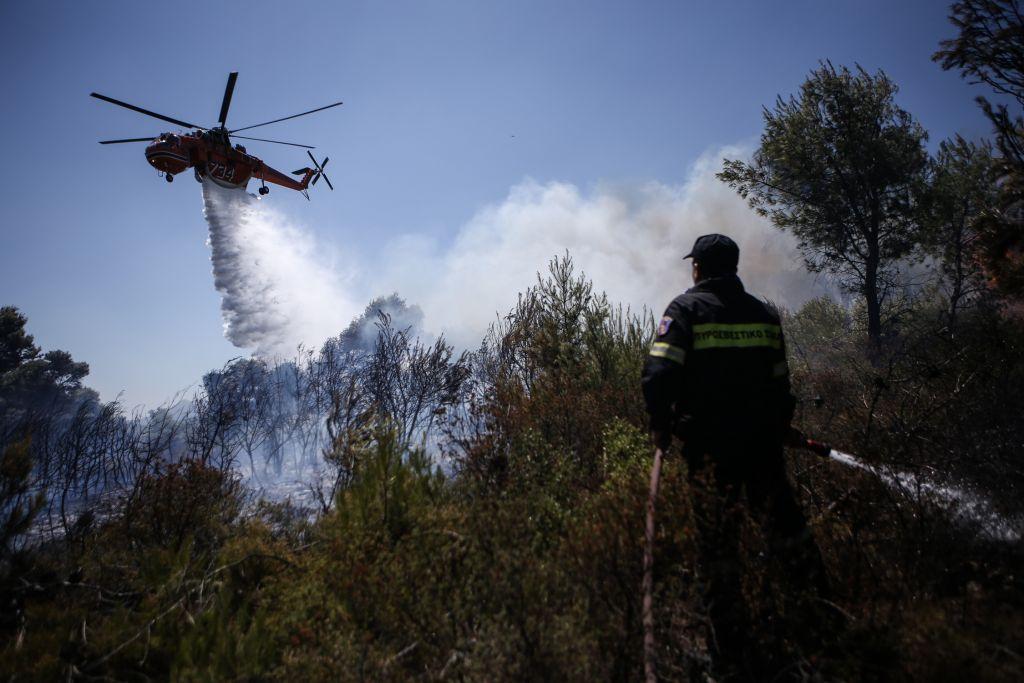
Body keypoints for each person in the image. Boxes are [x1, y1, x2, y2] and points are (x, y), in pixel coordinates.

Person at [641, 233, 830, 679]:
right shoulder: (763, 314)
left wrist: (660, 424)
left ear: (698, 268)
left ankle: (729, 648)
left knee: (717, 543)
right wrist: (781, 423)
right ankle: (821, 619)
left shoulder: (685, 310)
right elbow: (780, 380)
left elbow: (659, 375)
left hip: (709, 449)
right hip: (762, 445)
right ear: (735, 266)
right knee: (785, 529)